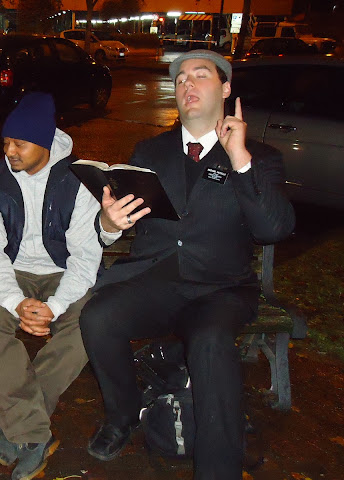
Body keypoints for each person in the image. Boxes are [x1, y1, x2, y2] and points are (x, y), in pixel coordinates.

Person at [79, 50, 296, 479]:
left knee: (211, 341)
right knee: (98, 317)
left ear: (226, 88)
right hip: (156, 279)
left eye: (200, 75)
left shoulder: (259, 156)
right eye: (180, 80)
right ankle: (123, 415)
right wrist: (108, 223)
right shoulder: (149, 151)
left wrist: (240, 160)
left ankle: (218, 469)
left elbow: (274, 229)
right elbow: (117, 223)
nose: (187, 85)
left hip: (220, 288)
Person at [0, 92, 103, 480]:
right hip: (13, 273)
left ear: (44, 142)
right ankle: (33, 433)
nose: (9, 151)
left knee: (86, 325)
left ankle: (20, 423)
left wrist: (54, 307)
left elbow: (85, 258)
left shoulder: (78, 182)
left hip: (63, 272)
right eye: (6, 142)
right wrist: (16, 302)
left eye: (19, 144)